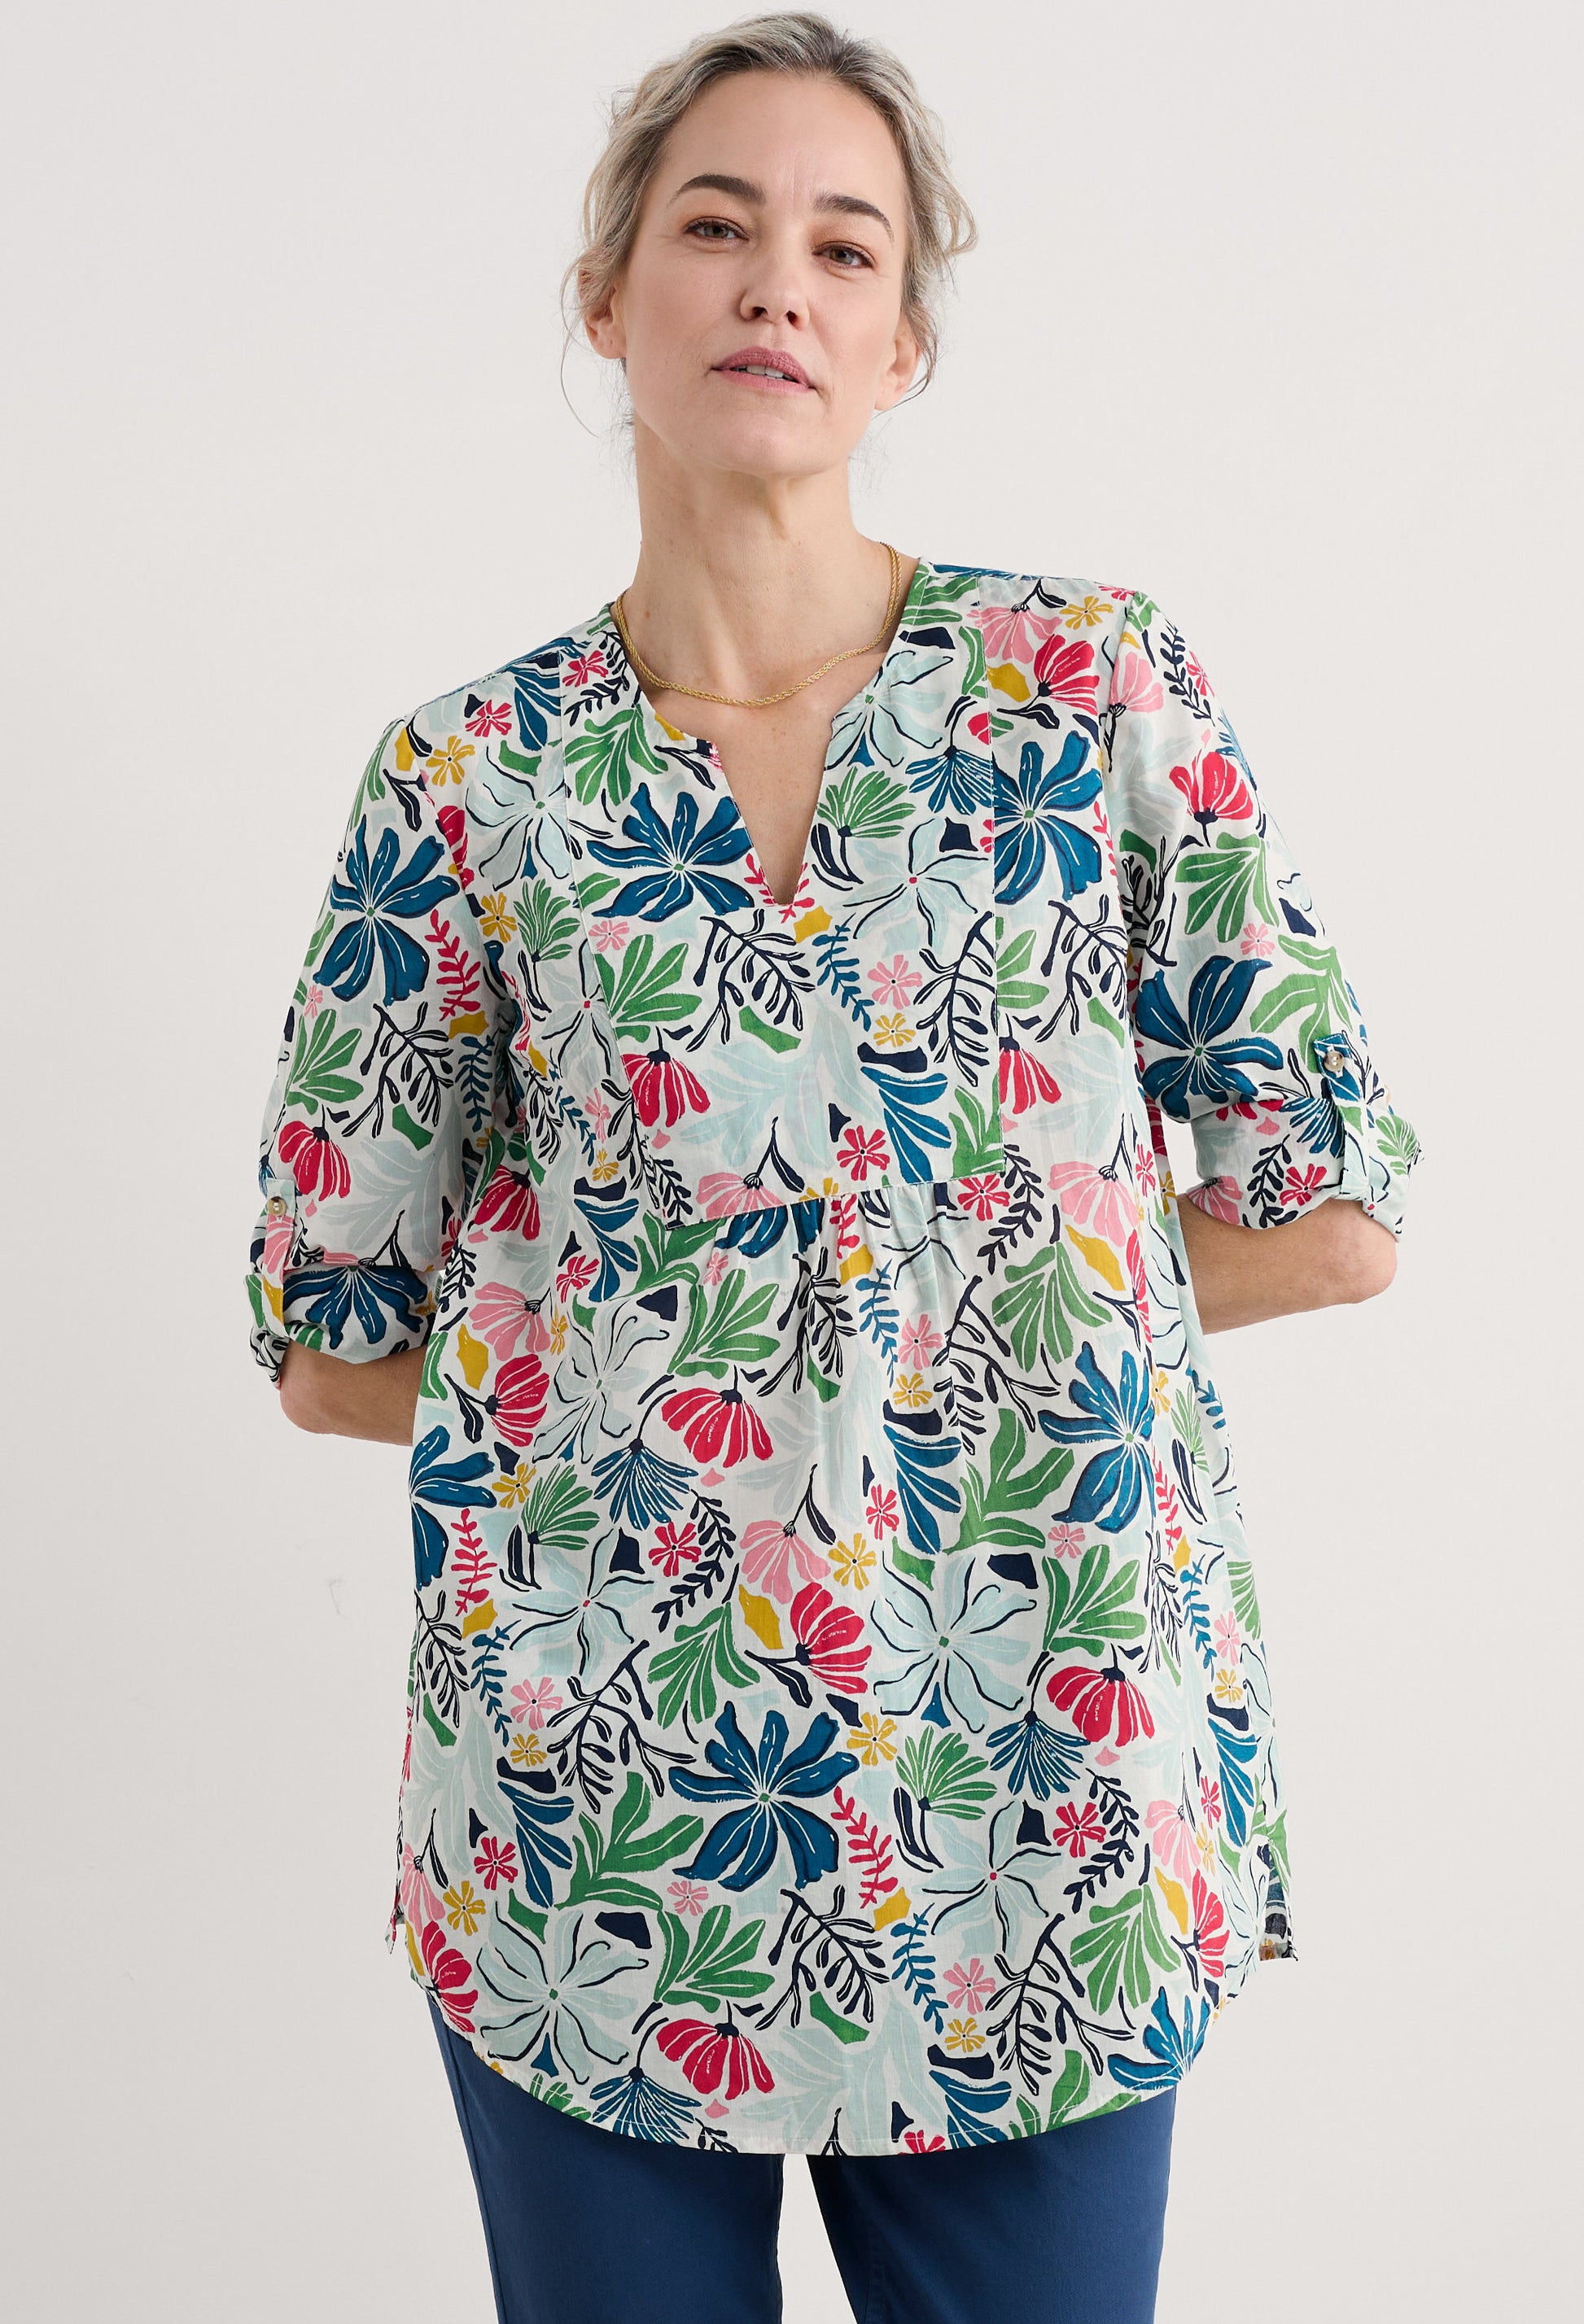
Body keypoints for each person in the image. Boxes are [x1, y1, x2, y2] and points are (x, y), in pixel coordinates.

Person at [243, 14, 1420, 2322]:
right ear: (609, 300)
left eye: (843, 244)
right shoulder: (469, 780)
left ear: (902, 340)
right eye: (716, 224)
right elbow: (327, 1336)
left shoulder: (1088, 689)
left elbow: (1330, 1215)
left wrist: (937, 1306)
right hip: (595, 1810)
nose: (776, 279)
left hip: (1042, 1789)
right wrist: (665, 1376)